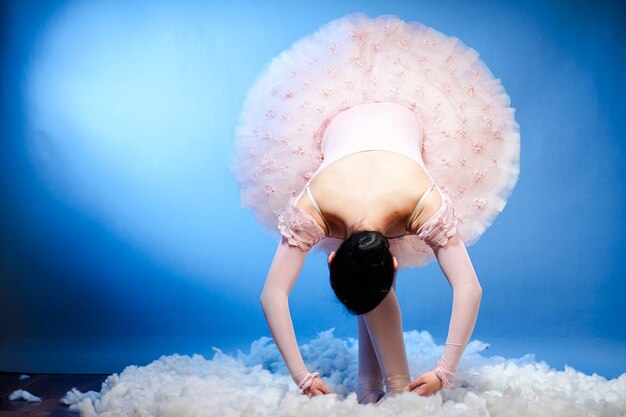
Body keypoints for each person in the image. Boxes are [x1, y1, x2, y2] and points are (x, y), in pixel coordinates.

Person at [232, 13, 520, 404]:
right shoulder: (313, 203)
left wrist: (444, 372)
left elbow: (470, 289)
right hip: (341, 125)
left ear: (331, 259)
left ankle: (388, 389)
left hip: (408, 120)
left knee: (369, 279)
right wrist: (301, 376)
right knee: (369, 277)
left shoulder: (423, 201)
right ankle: (378, 388)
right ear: (334, 259)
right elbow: (272, 295)